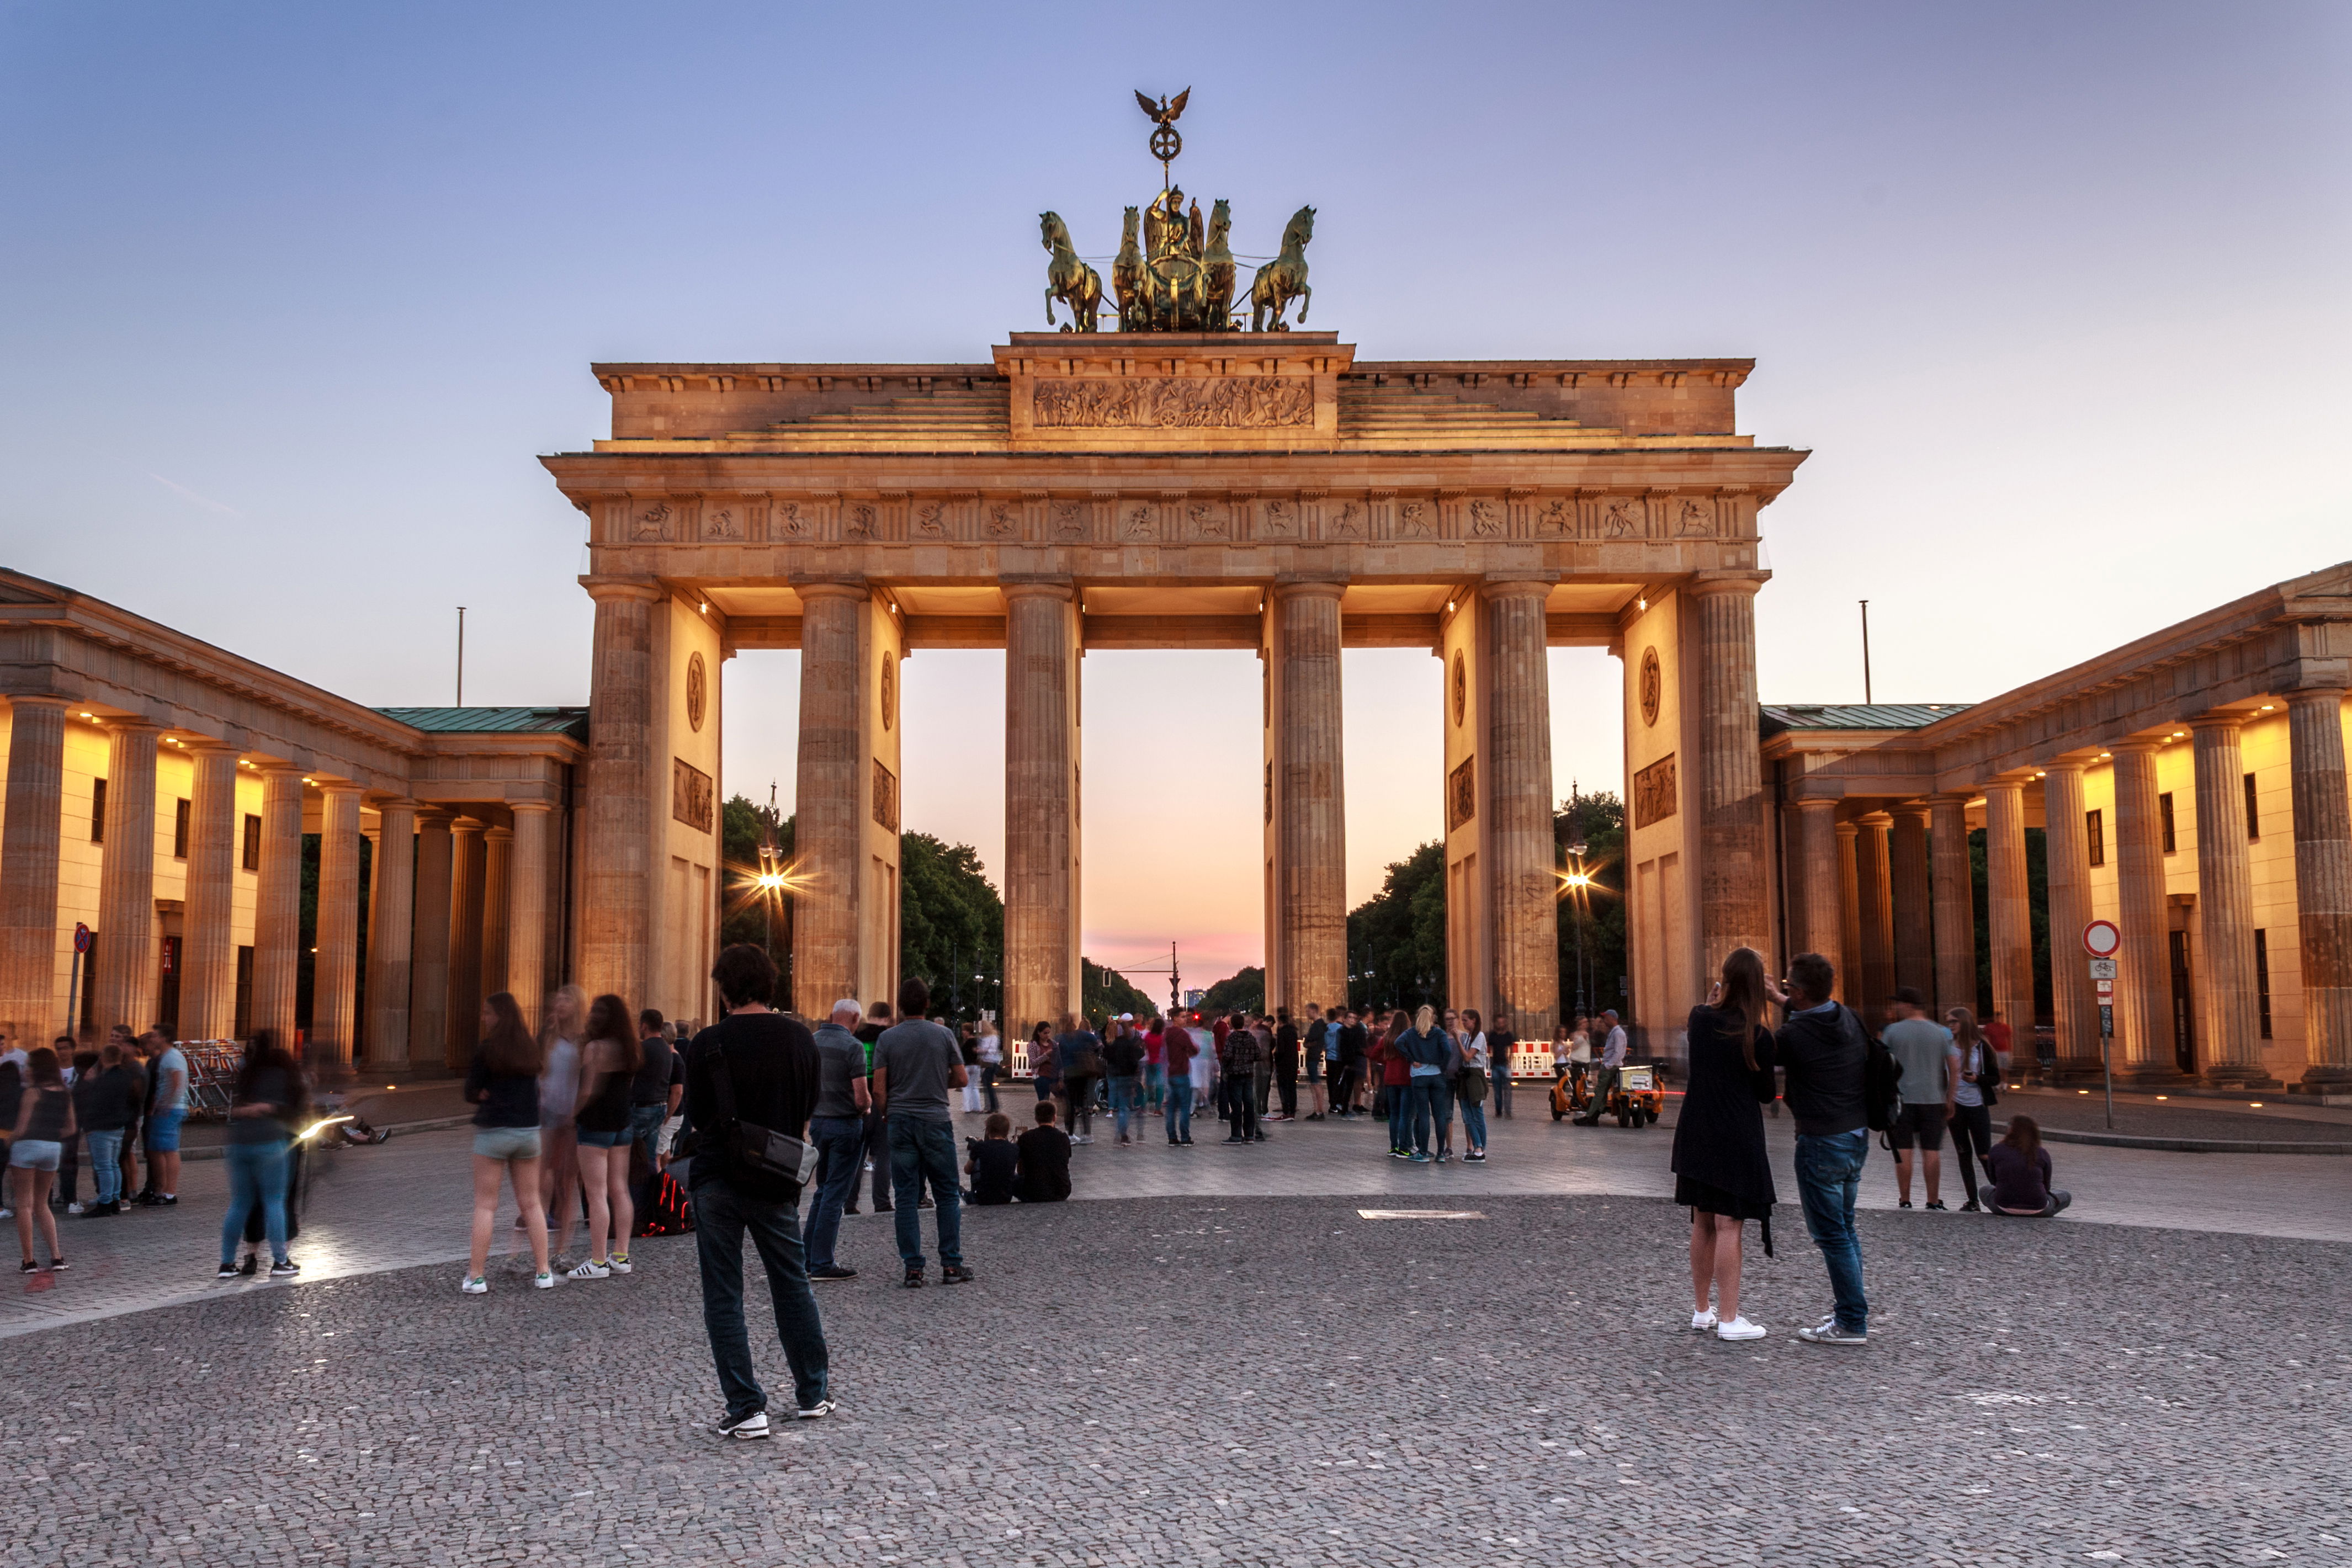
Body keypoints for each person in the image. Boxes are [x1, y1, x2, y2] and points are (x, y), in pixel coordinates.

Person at [680, 942, 832, 1437]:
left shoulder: (706, 1044)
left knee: (724, 1293)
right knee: (792, 1283)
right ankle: (812, 1393)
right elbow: (808, 1110)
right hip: (775, 1179)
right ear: (771, 984)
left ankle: (747, 1408)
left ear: (724, 990)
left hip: (716, 1179)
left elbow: (699, 1117)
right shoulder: (799, 1040)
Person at [1671, 948, 1780, 1341]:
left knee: (1702, 1222)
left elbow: (1706, 1006)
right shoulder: (1758, 1035)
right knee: (1729, 1224)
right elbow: (1767, 1094)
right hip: (1736, 1132)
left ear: (1725, 981)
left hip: (1696, 1130)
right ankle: (1731, 1318)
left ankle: (1703, 1311)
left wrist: (1715, 995)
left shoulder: (1700, 1020)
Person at [1773, 953, 1871, 1346]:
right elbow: (1810, 1017)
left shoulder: (1792, 1035)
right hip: (1855, 1134)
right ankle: (1852, 1310)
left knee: (1831, 1234)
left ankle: (1851, 1321)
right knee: (1845, 1228)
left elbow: (1763, 1055)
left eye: (1787, 986)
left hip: (1819, 1139)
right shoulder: (1848, 1018)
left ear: (1797, 992)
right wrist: (1779, 998)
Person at [871, 977, 972, 1288]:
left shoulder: (887, 1039)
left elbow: (878, 1089)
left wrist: (889, 1111)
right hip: (935, 1120)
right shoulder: (943, 1035)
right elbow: (963, 1078)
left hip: (900, 1120)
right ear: (927, 1004)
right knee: (946, 1195)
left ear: (900, 1006)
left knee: (904, 1197)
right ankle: (951, 1266)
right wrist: (935, 1085)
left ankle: (913, 1268)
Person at [461, 992, 555, 1293]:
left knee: (486, 1205)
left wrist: (484, 1093)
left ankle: (476, 1276)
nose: (484, 1018)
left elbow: (471, 1090)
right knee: (532, 1203)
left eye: (488, 1013)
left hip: (494, 1132)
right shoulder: (529, 1048)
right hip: (528, 1133)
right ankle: (543, 1272)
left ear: (499, 1016)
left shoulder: (488, 1050)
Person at [216, 1030, 302, 1280]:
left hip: (239, 1142)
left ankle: (226, 1264)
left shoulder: (245, 1074)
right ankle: (280, 1262)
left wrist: (249, 1109)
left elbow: (234, 1107)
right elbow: (284, 1106)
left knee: (240, 1203)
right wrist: (265, 1108)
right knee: (274, 1201)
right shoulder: (278, 1073)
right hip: (269, 1141)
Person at [567, 993, 641, 1279]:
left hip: (595, 1124)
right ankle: (621, 1256)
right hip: (623, 1122)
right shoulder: (630, 1048)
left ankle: (597, 1261)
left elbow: (587, 1091)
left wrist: (571, 1114)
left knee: (595, 1192)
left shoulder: (595, 1048)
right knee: (619, 1189)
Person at [802, 999, 873, 1283]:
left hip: (818, 1124)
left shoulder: (812, 1042)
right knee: (835, 1195)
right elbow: (860, 1097)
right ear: (855, 1019)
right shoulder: (853, 1047)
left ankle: (807, 1258)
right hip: (845, 1125)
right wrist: (868, 1106)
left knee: (821, 1192)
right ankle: (822, 1263)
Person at [1882, 987, 1957, 1210]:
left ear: (1908, 1004)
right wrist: (1950, 1098)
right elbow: (1954, 1068)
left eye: (1898, 1003)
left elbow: (1883, 1066)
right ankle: (1933, 1200)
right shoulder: (1940, 1032)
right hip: (1933, 1100)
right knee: (1931, 1151)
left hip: (1901, 1100)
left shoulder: (1892, 1032)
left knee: (1904, 1150)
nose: (1896, 1007)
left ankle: (1905, 1199)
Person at [10, 1047, 73, 1274]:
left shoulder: (32, 1092)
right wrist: (51, 1136)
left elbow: (22, 1127)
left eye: (29, 1065)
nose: (26, 1069)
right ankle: (57, 1257)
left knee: (24, 1205)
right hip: (53, 1149)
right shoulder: (65, 1093)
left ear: (37, 1068)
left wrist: (9, 1141)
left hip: (27, 1147)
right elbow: (71, 1128)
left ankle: (29, 1261)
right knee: (42, 1204)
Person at [536, 985, 585, 1261]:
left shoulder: (584, 1039)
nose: (560, 1002)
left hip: (572, 1119)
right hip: (546, 1114)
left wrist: (577, 1112)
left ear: (577, 1005)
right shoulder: (547, 1035)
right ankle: (539, 1247)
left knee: (567, 1184)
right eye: (558, 999)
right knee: (541, 1180)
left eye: (566, 999)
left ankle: (563, 1250)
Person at [71, 1039, 137, 1216]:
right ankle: (115, 1200)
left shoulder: (104, 1079)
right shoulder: (125, 1075)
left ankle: (105, 1203)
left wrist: (88, 1125)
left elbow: (93, 1102)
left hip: (101, 1127)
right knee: (114, 1165)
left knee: (104, 1167)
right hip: (118, 1126)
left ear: (103, 1057)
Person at [1945, 1007, 2002, 1211]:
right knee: (1963, 1153)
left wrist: (1977, 1078)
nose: (1951, 1025)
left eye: (1954, 1022)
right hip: (1956, 1105)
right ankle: (1972, 1200)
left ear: (1965, 1023)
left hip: (1977, 1104)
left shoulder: (1981, 1048)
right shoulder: (1948, 1046)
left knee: (1984, 1154)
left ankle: (2001, 1195)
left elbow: (1995, 1078)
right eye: (1948, 1022)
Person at [628, 1008, 676, 1211]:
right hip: (659, 1108)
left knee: (634, 1160)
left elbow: (629, 1077)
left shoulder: (642, 1048)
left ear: (644, 1025)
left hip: (641, 1108)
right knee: (649, 1159)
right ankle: (650, 1204)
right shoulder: (667, 1049)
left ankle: (634, 1204)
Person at [851, 1002, 896, 1216]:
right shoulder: (891, 1038)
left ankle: (850, 1203)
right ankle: (882, 1202)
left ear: (869, 1015)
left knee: (857, 1157)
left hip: (859, 1102)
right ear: (888, 1017)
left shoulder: (856, 1037)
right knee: (884, 1156)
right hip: (883, 1103)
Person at [1981, 1115, 2071, 1216]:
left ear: (2011, 1130)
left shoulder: (1996, 1150)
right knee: (2065, 1195)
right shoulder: (2041, 1153)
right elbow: (2047, 1186)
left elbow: (1993, 1181)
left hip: (2003, 1207)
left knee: (1984, 1190)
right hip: (2038, 1209)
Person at [142, 1030, 189, 1206]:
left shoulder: (172, 1057)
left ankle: (168, 1193)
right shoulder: (167, 1057)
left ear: (164, 1037)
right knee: (158, 1151)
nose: (152, 1039)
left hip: (169, 1110)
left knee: (169, 1151)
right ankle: (161, 1191)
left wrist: (167, 1104)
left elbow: (177, 1081)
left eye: (155, 1036)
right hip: (166, 1109)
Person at [1055, 1013, 1102, 1145]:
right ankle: (1087, 1134)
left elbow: (1056, 1057)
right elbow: (1099, 1046)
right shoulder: (1083, 1035)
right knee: (1083, 1104)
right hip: (1082, 1072)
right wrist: (1091, 1055)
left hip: (1068, 1074)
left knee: (1069, 1105)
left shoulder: (1061, 1038)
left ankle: (1070, 1134)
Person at [1573, 1011, 1627, 1125]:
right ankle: (1593, 1117)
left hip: (1611, 1067)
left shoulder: (1618, 1033)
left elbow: (1619, 1053)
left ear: (1612, 1018)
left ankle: (1590, 1117)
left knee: (1600, 1092)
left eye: (1606, 1018)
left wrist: (1608, 1065)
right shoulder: (1615, 1032)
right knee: (1601, 1093)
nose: (1604, 1020)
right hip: (1611, 1065)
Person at [1014, 1100, 1073, 1202]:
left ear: (1036, 1118)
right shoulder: (1063, 1138)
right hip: (1061, 1191)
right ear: (1054, 1117)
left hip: (1033, 1192)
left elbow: (1021, 1169)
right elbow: (1065, 1162)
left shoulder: (1026, 1137)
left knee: (1014, 1180)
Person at [1455, 1009, 1490, 1162]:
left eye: (1466, 1020)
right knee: (1466, 1114)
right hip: (1465, 1076)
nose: (1464, 1023)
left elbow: (1468, 1057)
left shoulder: (1479, 1036)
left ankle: (1480, 1148)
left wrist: (1457, 1040)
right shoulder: (1468, 1036)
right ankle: (1477, 1147)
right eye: (1462, 1020)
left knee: (1477, 1113)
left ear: (1474, 1020)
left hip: (1475, 1075)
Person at [1220, 1022, 1263, 1143]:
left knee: (1236, 1105)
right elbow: (1258, 1055)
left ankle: (1236, 1135)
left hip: (1235, 1075)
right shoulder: (1250, 1037)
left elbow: (1227, 1055)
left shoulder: (1232, 1037)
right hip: (1248, 1075)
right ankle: (1250, 1135)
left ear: (1232, 1025)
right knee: (1249, 1105)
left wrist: (1227, 1067)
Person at [1104, 1018, 1145, 1144]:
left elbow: (1106, 1057)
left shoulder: (1112, 1045)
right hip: (1126, 1076)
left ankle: (1118, 1130)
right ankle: (1123, 1135)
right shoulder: (1129, 1044)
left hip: (1114, 1074)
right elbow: (1136, 1058)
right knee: (1124, 1107)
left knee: (1115, 1096)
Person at [964, 1112, 1019, 1204]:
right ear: (1007, 1131)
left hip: (983, 1196)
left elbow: (967, 1170)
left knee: (977, 1163)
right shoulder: (1014, 1148)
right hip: (1006, 1196)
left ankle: (969, 1195)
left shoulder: (980, 1146)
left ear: (988, 1130)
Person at [1162, 1018, 1198, 1145]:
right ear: (1176, 1019)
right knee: (1184, 1107)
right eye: (1183, 1017)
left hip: (1171, 1073)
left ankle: (1172, 1137)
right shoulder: (1182, 1034)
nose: (1185, 1019)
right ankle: (1185, 1137)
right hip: (1182, 1073)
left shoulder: (1167, 1034)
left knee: (1171, 1108)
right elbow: (1194, 1049)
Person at [1488, 1011, 1519, 1120]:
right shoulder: (1492, 1035)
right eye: (1499, 1023)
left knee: (1508, 1090)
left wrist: (1510, 1063)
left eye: (1502, 1023)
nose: (1500, 1025)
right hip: (1495, 1065)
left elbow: (1511, 1050)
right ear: (1496, 1023)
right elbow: (1490, 1050)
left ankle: (1508, 1112)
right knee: (1497, 1090)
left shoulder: (1508, 1035)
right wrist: (1490, 1062)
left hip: (1505, 1065)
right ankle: (1499, 1111)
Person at [1271, 1010, 1300, 1121]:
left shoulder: (1282, 1032)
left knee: (1283, 1088)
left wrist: (1275, 1056)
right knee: (1292, 1088)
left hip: (1283, 1064)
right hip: (1293, 1063)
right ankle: (1292, 1111)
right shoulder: (1293, 1031)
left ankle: (1286, 1111)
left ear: (1280, 1022)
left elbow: (1281, 1050)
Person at [1300, 1007, 1329, 1120]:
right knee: (1315, 1083)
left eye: (1308, 1011)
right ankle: (1318, 1110)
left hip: (1313, 1056)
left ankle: (1319, 1111)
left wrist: (1307, 1041)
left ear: (1313, 1011)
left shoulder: (1317, 1025)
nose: (1307, 1014)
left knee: (1315, 1083)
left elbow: (1308, 1042)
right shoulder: (1322, 1025)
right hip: (1315, 1055)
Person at [975, 1018, 1003, 1113]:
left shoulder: (989, 1037)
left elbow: (988, 1049)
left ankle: (991, 1107)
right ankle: (994, 1106)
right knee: (989, 1086)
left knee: (988, 1086)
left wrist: (979, 1051)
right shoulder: (993, 1036)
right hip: (991, 1062)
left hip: (989, 1062)